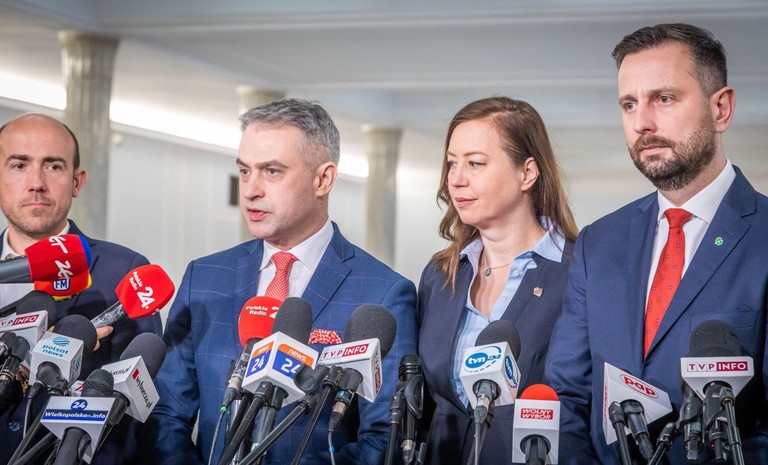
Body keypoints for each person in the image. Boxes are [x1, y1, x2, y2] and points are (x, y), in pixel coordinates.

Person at [143, 98, 418, 465]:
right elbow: (165, 416)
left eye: (271, 171)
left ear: (323, 179)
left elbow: (384, 437)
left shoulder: (383, 292)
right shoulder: (204, 278)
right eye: (244, 171)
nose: (250, 190)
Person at [544, 23, 768, 464]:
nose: (641, 123)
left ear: (721, 109)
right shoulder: (598, 243)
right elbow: (566, 394)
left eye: (664, 99)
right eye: (629, 104)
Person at [418, 97, 578, 465]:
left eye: (475, 163)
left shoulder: (577, 273)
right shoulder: (440, 275)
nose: (456, 179)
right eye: (452, 163)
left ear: (527, 173)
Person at [0, 113, 163, 464]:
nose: (36, 183)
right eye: (19, 165)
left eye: (53, 166)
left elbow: (137, 418)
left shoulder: (124, 272)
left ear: (77, 181)